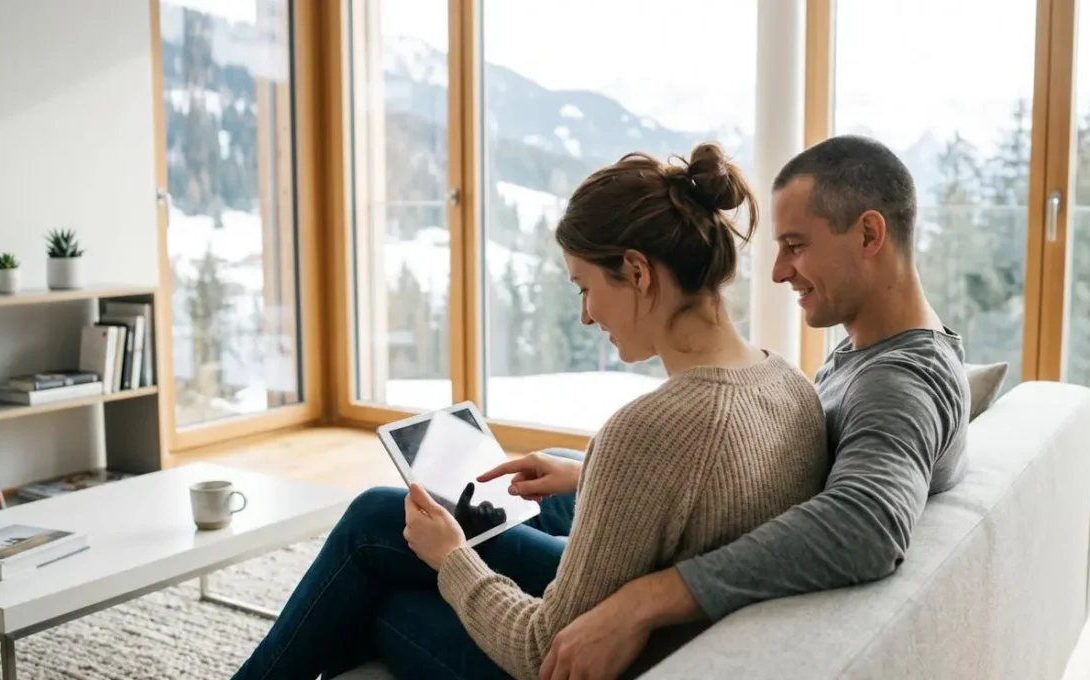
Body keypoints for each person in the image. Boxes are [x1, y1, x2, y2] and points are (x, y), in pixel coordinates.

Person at [231, 142, 831, 680]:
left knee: (382, 574)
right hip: (682, 636)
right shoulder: (787, 381)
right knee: (403, 523)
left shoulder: (650, 428)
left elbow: (537, 648)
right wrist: (588, 473)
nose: (587, 315)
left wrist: (453, 560)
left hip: (616, 658)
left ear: (638, 272)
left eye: (584, 287)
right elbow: (704, 495)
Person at [537, 134, 972, 680]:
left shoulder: (899, 383)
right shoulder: (880, 350)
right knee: (519, 490)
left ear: (868, 233)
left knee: (402, 529)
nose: (777, 271)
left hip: (694, 623)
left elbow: (870, 524)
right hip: (721, 525)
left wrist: (650, 598)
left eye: (796, 245)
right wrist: (597, 475)